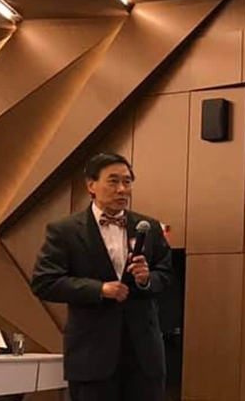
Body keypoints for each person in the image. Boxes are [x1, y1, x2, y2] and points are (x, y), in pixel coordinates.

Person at [31, 152, 173, 401]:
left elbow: (166, 275)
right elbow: (45, 282)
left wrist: (146, 280)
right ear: (91, 185)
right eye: (113, 181)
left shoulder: (148, 227)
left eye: (127, 182)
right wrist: (98, 289)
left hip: (144, 355)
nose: (122, 189)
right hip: (91, 356)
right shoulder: (64, 231)